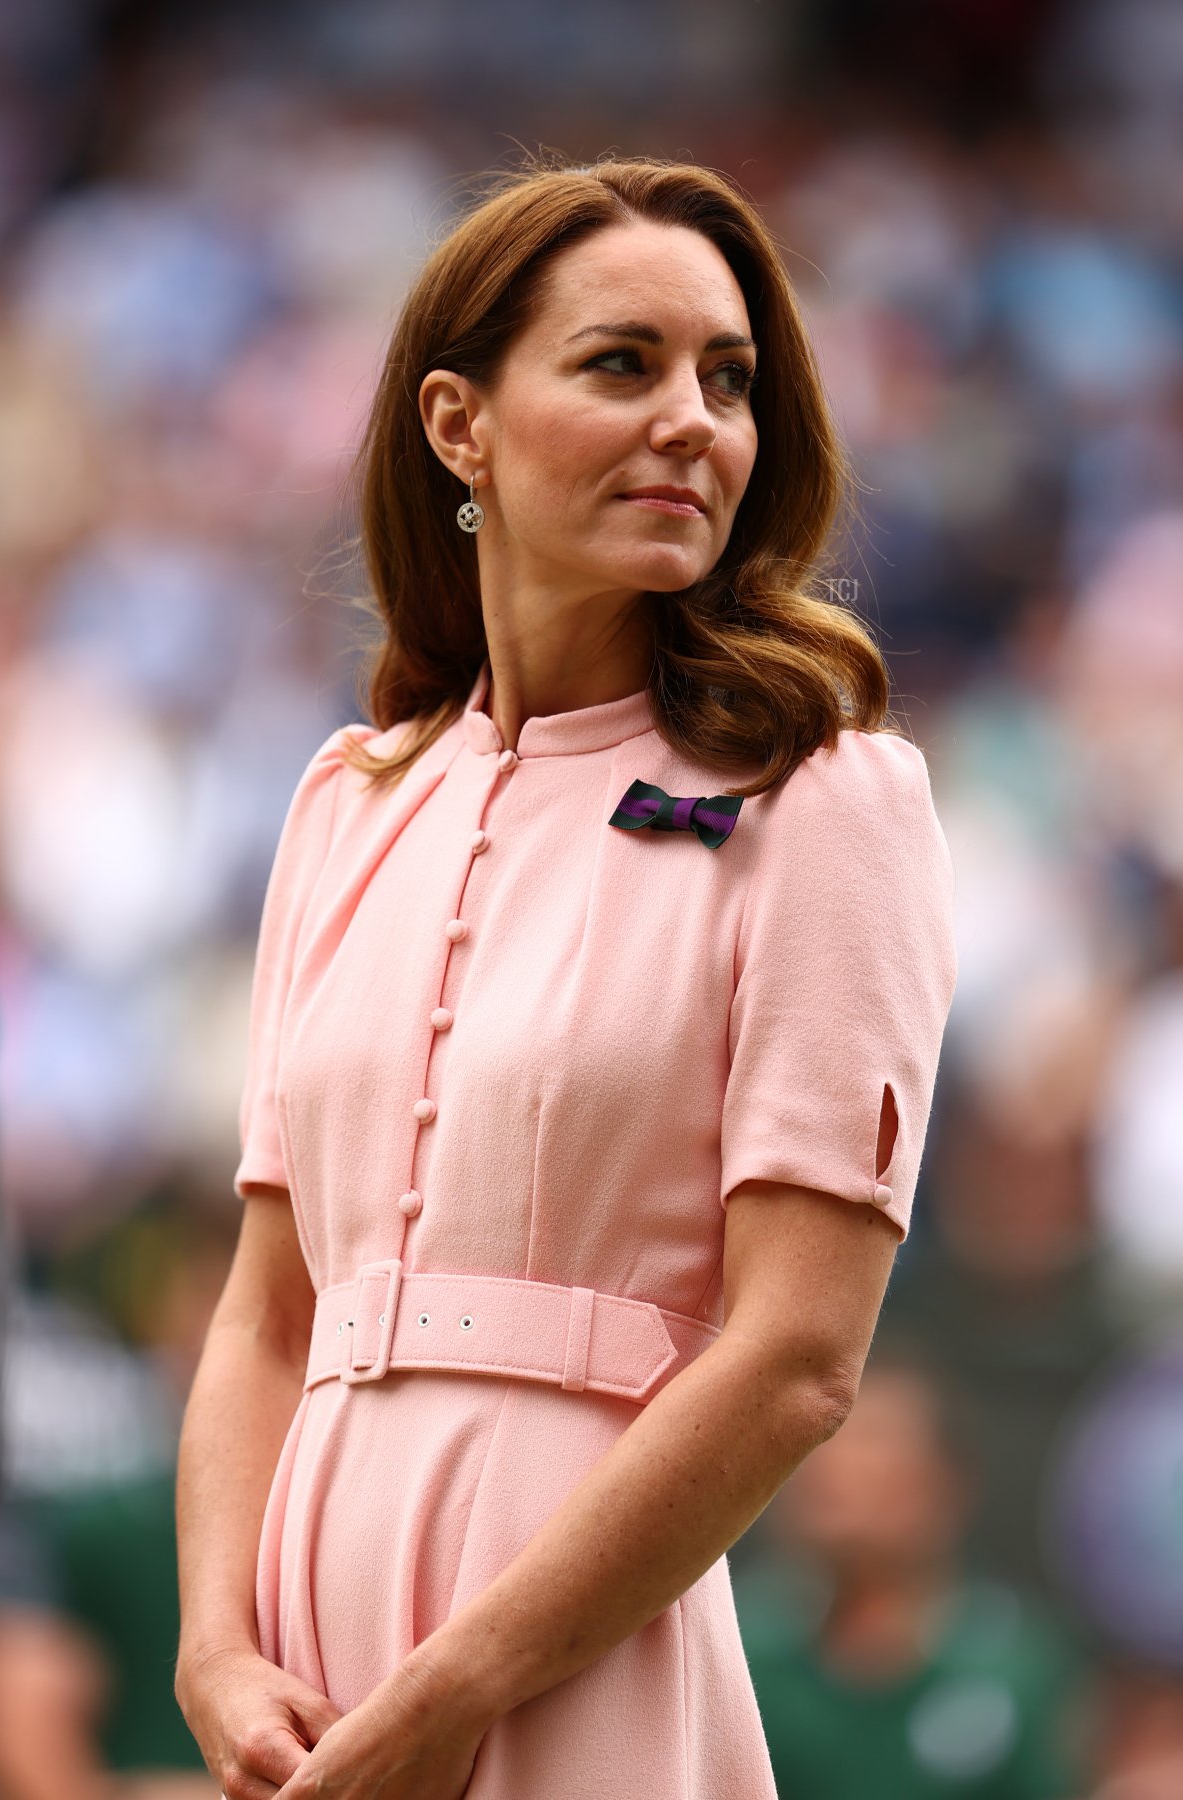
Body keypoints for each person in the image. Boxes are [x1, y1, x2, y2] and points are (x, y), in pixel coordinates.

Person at [173, 154, 959, 1800]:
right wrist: (215, 1650)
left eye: (730, 380)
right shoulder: (347, 799)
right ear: (459, 425)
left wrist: (463, 1683)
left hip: (577, 1642)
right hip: (296, 1668)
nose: (694, 419)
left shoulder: (828, 792)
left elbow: (798, 1361)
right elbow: (267, 1311)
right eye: (625, 363)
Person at [734, 1345, 1090, 1799]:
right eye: (816, 1439)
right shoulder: (743, 1652)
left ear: (947, 1483)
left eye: (871, 1437)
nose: (831, 1466)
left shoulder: (1018, 1668)